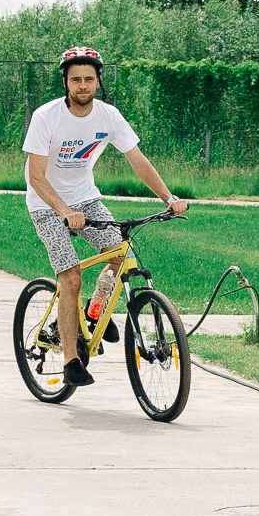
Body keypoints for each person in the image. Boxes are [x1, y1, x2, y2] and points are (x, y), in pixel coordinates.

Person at [23, 47, 186, 388]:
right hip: (46, 204)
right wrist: (64, 212)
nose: (83, 85)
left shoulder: (109, 116)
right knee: (70, 278)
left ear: (98, 82)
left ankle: (94, 312)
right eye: (76, 79)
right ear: (66, 83)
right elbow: (36, 175)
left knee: (119, 253)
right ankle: (70, 360)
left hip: (86, 198)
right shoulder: (46, 117)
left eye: (89, 79)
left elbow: (137, 159)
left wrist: (168, 198)